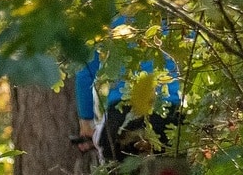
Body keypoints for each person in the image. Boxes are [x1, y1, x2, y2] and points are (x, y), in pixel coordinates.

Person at [76, 16, 184, 162]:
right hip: (168, 112)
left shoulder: (106, 12)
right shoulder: (175, 8)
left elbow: (85, 74)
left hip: (122, 115)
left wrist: (86, 122)